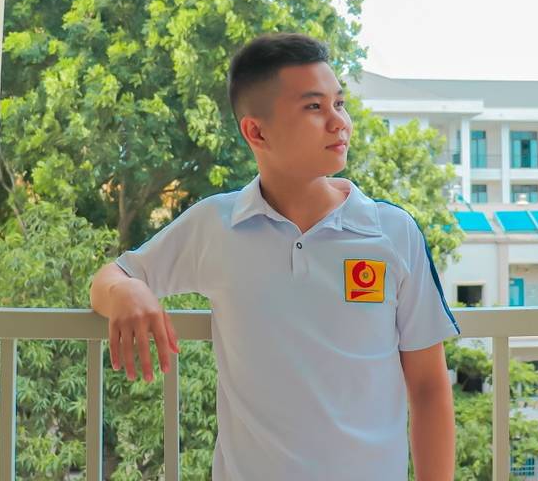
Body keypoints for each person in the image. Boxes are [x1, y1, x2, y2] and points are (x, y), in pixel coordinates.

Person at [90, 32, 460, 481]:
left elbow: (429, 387)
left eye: (339, 103)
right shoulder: (217, 225)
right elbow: (112, 277)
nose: (339, 122)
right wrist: (126, 291)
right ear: (256, 131)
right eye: (314, 107)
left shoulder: (392, 232)